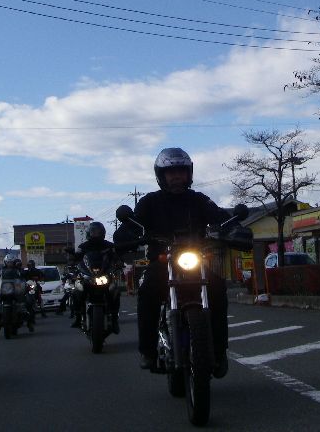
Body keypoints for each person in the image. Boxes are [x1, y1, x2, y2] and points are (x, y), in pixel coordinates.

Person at [114, 147, 234, 378]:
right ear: (161, 175)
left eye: (181, 171)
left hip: (194, 261)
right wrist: (126, 234)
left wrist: (234, 227)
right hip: (162, 262)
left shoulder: (199, 200)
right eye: (171, 172)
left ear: (189, 173)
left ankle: (219, 351)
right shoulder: (150, 202)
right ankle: (148, 351)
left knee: (218, 288)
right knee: (147, 291)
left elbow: (221, 217)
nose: (177, 176)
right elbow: (133, 224)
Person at [70, 221, 123, 333]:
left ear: (102, 232)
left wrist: (119, 262)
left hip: (105, 274)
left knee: (115, 291)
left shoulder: (109, 245)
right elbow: (77, 257)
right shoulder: (83, 246)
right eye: (93, 231)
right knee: (76, 291)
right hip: (88, 275)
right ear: (89, 233)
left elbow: (116, 256)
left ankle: (114, 320)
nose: (96, 234)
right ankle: (78, 317)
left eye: (98, 232)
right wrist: (73, 261)